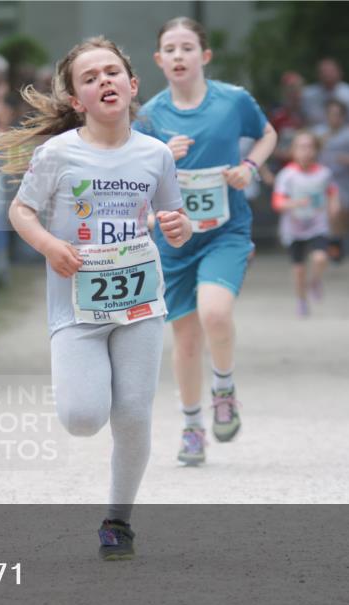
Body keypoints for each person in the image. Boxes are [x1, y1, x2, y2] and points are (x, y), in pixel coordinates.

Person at [0, 36, 191, 560]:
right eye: (90, 77)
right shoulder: (58, 154)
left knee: (133, 415)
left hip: (141, 301)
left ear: (132, 84)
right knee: (82, 417)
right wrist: (51, 246)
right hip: (77, 305)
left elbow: (175, 221)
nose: (104, 81)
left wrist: (178, 226)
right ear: (77, 99)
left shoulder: (156, 154)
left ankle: (118, 520)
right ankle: (114, 504)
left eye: (112, 72)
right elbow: (20, 212)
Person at [133, 17, 277, 465]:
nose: (179, 55)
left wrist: (249, 168)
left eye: (187, 47)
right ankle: (192, 425)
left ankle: (224, 388)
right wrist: (162, 157)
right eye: (170, 49)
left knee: (215, 312)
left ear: (204, 56)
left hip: (224, 231)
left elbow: (268, 134)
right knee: (185, 337)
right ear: (158, 60)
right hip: (175, 238)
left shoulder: (233, 101)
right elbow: (137, 178)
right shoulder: (150, 115)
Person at [272, 130, 339, 317]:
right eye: (301, 147)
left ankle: (316, 281)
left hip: (317, 224)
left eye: (310, 147)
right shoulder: (286, 175)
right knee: (299, 269)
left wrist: (334, 205)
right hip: (294, 228)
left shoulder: (324, 173)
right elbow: (277, 202)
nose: (306, 151)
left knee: (320, 258)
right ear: (293, 151)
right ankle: (301, 300)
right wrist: (293, 203)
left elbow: (332, 191)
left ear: (316, 150)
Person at [314, 99, 349, 262]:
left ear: (343, 116)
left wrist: (348, 159)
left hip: (343, 182)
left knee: (343, 214)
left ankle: (340, 243)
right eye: (330, 114)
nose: (333, 118)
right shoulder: (318, 133)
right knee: (327, 214)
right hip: (321, 182)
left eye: (337, 115)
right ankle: (330, 247)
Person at [300, 57, 349, 132]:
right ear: (317, 74)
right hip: (314, 138)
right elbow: (302, 120)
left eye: (331, 71)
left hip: (344, 136)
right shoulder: (307, 94)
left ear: (340, 73)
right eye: (323, 71)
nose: (327, 74)